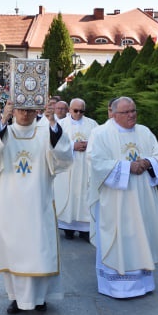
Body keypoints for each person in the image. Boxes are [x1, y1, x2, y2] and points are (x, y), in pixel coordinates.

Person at [0, 100, 73, 314]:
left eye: (29, 109)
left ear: (36, 111)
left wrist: (52, 122)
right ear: (13, 110)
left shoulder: (45, 132)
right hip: (9, 202)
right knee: (13, 250)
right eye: (20, 109)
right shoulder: (4, 132)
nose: (24, 113)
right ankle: (15, 297)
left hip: (37, 202)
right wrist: (3, 120)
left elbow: (63, 156)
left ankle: (40, 298)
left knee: (38, 250)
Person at [87, 96, 158, 298]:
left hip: (142, 198)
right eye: (126, 112)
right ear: (113, 114)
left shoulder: (144, 132)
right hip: (116, 199)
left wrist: (148, 163)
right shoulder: (100, 134)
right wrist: (127, 167)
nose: (132, 115)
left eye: (134, 111)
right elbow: (96, 163)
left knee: (142, 235)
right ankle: (117, 286)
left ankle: (143, 283)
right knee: (120, 237)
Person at [54, 97, 98, 240]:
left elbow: (99, 142)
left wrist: (89, 145)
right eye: (76, 110)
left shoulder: (92, 124)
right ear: (69, 110)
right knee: (67, 195)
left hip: (86, 168)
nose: (79, 113)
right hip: (68, 168)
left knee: (84, 196)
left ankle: (85, 229)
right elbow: (54, 144)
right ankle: (67, 228)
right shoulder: (61, 124)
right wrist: (73, 146)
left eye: (82, 111)